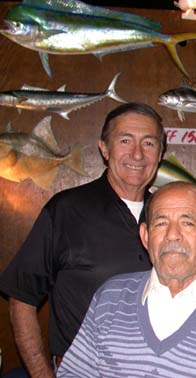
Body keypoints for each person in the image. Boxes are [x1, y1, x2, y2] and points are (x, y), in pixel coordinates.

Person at [0, 102, 166, 377]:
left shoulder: (169, 218)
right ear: (104, 147)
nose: (137, 154)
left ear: (160, 153)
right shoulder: (66, 210)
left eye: (149, 143)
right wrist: (42, 374)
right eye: (125, 140)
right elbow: (21, 296)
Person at [57, 181, 196, 377]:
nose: (172, 234)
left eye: (188, 223)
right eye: (161, 223)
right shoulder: (110, 298)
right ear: (145, 236)